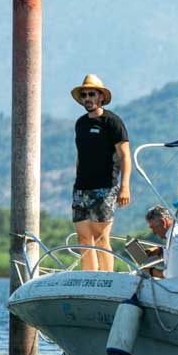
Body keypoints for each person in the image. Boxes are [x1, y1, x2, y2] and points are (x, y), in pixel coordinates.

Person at [69, 74, 131, 272]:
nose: (87, 98)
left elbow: (124, 156)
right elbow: (81, 155)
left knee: (101, 238)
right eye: (84, 95)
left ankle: (107, 277)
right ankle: (89, 277)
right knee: (84, 239)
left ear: (101, 97)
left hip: (105, 187)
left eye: (91, 94)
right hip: (81, 188)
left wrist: (125, 186)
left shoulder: (112, 122)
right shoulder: (80, 123)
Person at [143, 204, 178, 281]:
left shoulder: (176, 239)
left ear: (163, 222)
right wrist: (159, 251)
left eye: (153, 228)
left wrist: (151, 271)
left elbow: (173, 275)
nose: (154, 232)